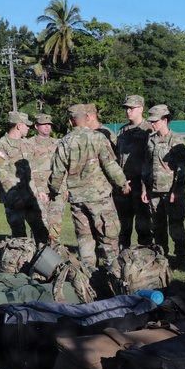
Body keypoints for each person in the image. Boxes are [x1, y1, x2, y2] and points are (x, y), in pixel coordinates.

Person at [48, 104, 130, 269]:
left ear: (70, 122)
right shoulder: (98, 138)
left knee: (85, 239)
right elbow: (110, 165)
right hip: (99, 197)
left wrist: (54, 190)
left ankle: (89, 277)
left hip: (77, 200)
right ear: (87, 118)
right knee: (108, 238)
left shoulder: (64, 142)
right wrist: (122, 183)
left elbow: (56, 174)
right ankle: (112, 275)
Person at [140, 104, 185, 268]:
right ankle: (162, 258)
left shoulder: (175, 140)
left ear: (165, 120)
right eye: (151, 121)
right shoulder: (151, 140)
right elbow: (146, 166)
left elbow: (182, 169)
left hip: (171, 192)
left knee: (176, 227)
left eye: (156, 121)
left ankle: (181, 258)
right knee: (157, 228)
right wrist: (144, 188)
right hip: (154, 191)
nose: (152, 124)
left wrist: (177, 191)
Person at [0, 111, 49, 243]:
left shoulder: (26, 144)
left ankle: (42, 261)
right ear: (18, 126)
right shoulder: (1, 146)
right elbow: (2, 174)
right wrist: (15, 198)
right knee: (20, 237)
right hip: (15, 199)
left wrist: (40, 190)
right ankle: (23, 262)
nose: (29, 128)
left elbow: (33, 169)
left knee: (41, 232)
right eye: (26, 125)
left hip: (31, 195)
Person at [115, 95, 154, 249]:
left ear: (141, 109)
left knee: (143, 225)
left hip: (140, 184)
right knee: (122, 225)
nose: (128, 111)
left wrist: (146, 186)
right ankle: (122, 257)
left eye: (132, 108)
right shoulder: (123, 130)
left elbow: (151, 160)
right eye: (126, 108)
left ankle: (145, 259)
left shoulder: (148, 130)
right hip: (124, 185)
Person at [29, 113, 65, 240]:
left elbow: (64, 166)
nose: (47, 127)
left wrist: (65, 188)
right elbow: (28, 170)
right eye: (43, 124)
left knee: (56, 222)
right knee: (40, 223)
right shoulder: (29, 144)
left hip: (57, 189)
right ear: (36, 126)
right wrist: (37, 190)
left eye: (49, 124)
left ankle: (54, 251)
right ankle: (38, 251)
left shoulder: (58, 143)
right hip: (40, 189)